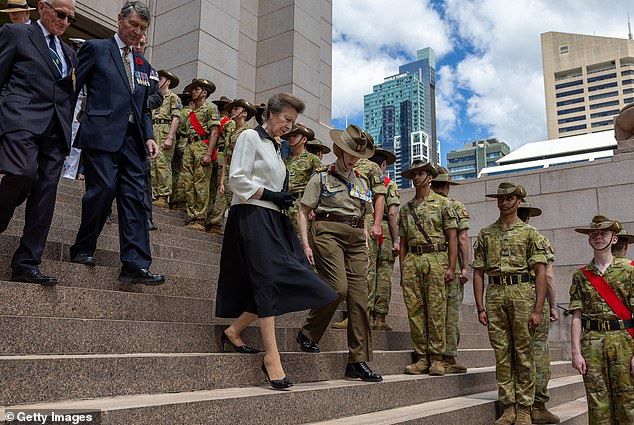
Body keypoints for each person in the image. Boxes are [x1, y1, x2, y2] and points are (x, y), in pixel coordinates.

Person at [215, 93, 337, 390]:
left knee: (286, 280)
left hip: (274, 220)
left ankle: (234, 331)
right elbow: (237, 178)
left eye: (293, 122)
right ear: (271, 113)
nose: (289, 127)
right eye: (287, 119)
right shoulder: (249, 137)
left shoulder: (276, 147)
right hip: (251, 217)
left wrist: (281, 199)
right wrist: (270, 194)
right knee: (268, 280)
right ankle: (272, 358)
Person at [69, 1, 164, 285]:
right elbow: (73, 90)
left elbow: (143, 107)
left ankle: (135, 264)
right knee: (103, 190)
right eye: (133, 25)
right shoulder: (96, 49)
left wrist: (149, 136)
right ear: (120, 19)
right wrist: (62, 127)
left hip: (133, 142)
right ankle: (84, 247)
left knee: (135, 198)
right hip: (101, 135)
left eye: (143, 28)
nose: (137, 32)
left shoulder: (143, 65)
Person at [296, 124, 383, 383]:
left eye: (357, 155)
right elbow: (303, 211)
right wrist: (305, 245)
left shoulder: (361, 180)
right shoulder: (321, 177)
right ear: (338, 150)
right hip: (328, 233)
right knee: (338, 288)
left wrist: (366, 237)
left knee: (359, 300)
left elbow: (364, 213)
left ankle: (357, 361)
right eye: (349, 153)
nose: (353, 159)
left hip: (356, 239)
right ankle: (308, 333)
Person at [0, 0, 78, 285]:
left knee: (45, 196)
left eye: (71, 18)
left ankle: (26, 263)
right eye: (61, 14)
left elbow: (69, 94)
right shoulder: (16, 33)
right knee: (22, 172)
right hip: (21, 120)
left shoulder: (69, 53)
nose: (65, 22)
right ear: (43, 7)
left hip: (56, 132)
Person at [472, 182, 548, 425]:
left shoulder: (530, 233)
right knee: (502, 354)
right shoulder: (486, 233)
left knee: (524, 354)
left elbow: (540, 272)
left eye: (509, 199)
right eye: (501, 199)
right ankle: (508, 406)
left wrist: (538, 308)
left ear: (519, 202)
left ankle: (525, 408)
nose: (504, 202)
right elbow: (478, 272)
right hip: (495, 294)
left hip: (522, 292)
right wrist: (480, 307)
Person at [570, 215, 634, 425]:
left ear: (614, 239)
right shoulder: (581, 276)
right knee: (597, 403)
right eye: (594, 234)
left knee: (628, 401)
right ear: (589, 239)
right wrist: (576, 352)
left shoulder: (629, 271)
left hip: (624, 341)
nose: (598, 237)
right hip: (592, 342)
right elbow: (577, 316)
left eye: (603, 233)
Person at [399, 160, 458, 376]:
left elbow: (452, 238)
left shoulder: (444, 204)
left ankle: (437, 358)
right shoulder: (406, 209)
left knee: (436, 310)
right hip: (413, 259)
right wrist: (403, 269)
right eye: (413, 173)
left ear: (430, 177)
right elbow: (403, 242)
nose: (416, 177)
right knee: (415, 310)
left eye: (420, 173)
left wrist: (452, 267)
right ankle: (421, 357)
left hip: (437, 257)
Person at [332, 134, 387, 330]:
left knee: (364, 270)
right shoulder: (337, 164)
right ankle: (351, 312)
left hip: (364, 220)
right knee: (345, 270)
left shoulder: (370, 167)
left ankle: (360, 314)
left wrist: (377, 223)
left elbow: (380, 196)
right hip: (342, 222)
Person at [516, 200, 560, 423]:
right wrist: (552, 305)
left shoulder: (505, 236)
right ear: (529, 217)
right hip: (535, 297)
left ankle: (518, 401)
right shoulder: (538, 238)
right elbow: (548, 276)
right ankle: (539, 404)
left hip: (512, 297)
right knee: (539, 349)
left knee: (517, 350)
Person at [430, 166, 470, 373]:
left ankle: (430, 355)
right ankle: (448, 357)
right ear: (447, 185)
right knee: (451, 312)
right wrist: (464, 267)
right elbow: (462, 238)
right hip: (448, 264)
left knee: (430, 310)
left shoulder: (420, 206)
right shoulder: (454, 206)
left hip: (426, 264)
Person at [366, 148, 399, 331]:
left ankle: (365, 314)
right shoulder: (389, 184)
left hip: (365, 225)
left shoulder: (362, 179)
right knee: (384, 274)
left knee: (366, 271)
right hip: (384, 229)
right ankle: (380, 318)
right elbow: (392, 213)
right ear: (384, 165)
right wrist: (396, 240)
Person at [180, 78, 220, 231]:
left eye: (196, 90)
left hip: (202, 147)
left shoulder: (210, 108)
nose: (193, 92)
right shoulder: (192, 112)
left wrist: (209, 153)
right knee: (188, 183)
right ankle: (192, 216)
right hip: (190, 147)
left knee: (201, 184)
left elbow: (214, 132)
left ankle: (200, 219)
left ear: (204, 93)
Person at [217, 98, 256, 226]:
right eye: (232, 109)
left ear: (244, 113)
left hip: (241, 174)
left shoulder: (249, 133)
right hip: (229, 172)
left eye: (236, 109)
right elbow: (225, 157)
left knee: (238, 208)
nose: (233, 111)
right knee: (225, 205)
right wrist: (222, 180)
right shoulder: (230, 133)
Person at [281, 123, 321, 233]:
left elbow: (318, 185)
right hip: (286, 204)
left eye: (295, 136)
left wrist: (313, 207)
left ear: (304, 139)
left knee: (302, 242)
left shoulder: (313, 160)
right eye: (289, 136)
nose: (291, 138)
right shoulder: (284, 161)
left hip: (303, 205)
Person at [150, 70, 181, 209]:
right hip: (153, 129)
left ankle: (163, 195)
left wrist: (170, 137)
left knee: (163, 164)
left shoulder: (173, 97)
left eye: (160, 79)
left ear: (167, 82)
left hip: (164, 130)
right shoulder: (155, 97)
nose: (157, 82)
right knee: (153, 164)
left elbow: (176, 118)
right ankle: (155, 193)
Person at [206, 95, 235, 234]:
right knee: (221, 190)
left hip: (214, 154)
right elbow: (230, 142)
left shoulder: (217, 121)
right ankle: (215, 222)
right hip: (223, 157)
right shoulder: (230, 123)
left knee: (212, 188)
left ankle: (208, 216)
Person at [170, 91, 193, 211]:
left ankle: (172, 199)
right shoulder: (190, 113)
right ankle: (180, 201)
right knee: (184, 173)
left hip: (176, 142)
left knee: (174, 171)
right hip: (185, 143)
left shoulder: (180, 112)